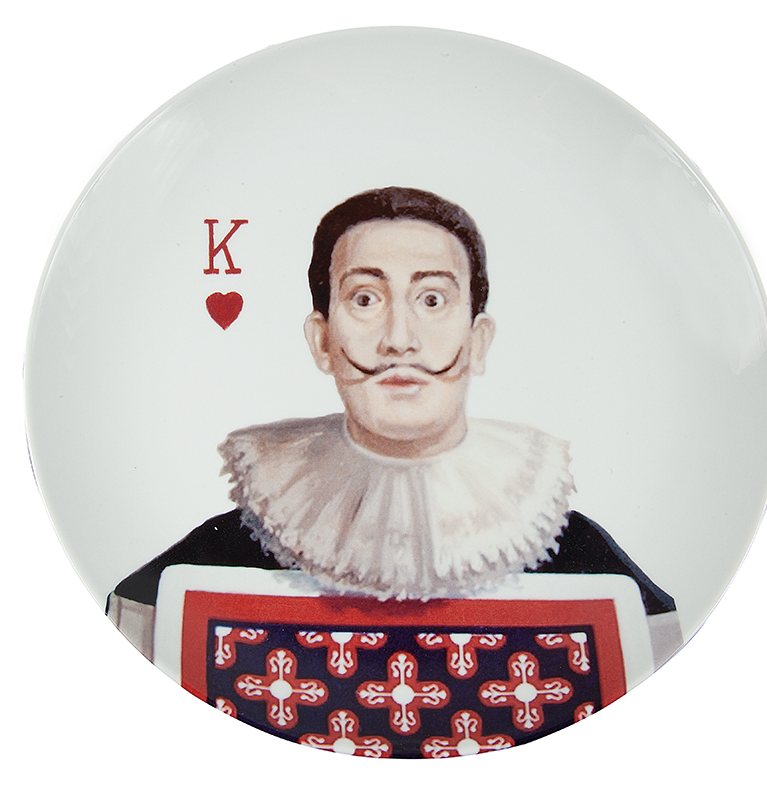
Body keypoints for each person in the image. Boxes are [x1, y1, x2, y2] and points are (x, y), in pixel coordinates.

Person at [108, 187, 681, 667]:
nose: (400, 339)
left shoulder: (578, 553)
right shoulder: (219, 555)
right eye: (365, 298)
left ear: (478, 341)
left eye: (432, 300)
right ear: (322, 340)